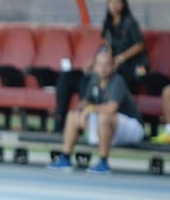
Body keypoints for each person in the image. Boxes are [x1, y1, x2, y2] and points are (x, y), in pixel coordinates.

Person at [53, 0, 148, 132]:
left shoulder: (130, 23)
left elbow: (139, 45)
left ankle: (84, 122)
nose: (114, 5)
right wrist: (94, 61)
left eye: (118, 1)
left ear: (124, 4)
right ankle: (60, 121)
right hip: (106, 63)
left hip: (123, 67)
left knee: (89, 80)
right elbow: (105, 46)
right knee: (68, 77)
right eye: (111, 1)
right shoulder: (108, 24)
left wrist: (119, 58)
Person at [46, 46, 144, 174]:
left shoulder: (117, 80)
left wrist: (90, 109)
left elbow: (111, 107)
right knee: (72, 115)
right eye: (100, 64)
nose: (103, 68)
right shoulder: (94, 80)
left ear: (113, 66)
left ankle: (103, 162)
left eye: (107, 64)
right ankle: (65, 157)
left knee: (104, 116)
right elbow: (86, 102)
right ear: (95, 66)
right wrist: (80, 111)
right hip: (107, 126)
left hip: (131, 128)